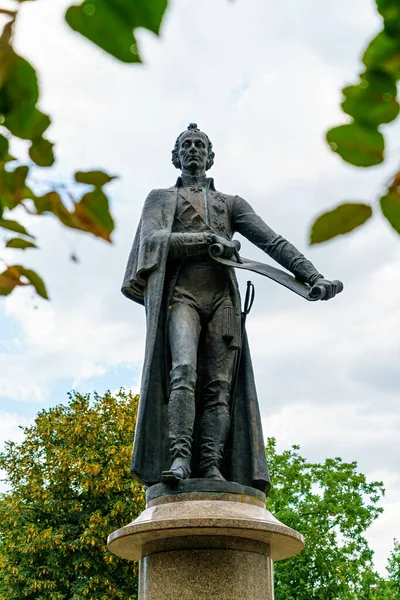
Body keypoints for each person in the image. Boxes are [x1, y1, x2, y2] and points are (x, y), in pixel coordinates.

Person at [122, 123, 338, 492]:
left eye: (200, 145)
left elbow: (273, 242)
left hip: (222, 299)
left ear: (210, 156)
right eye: (186, 145)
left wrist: (312, 276)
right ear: (176, 156)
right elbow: (153, 241)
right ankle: (179, 457)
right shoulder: (159, 198)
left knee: (219, 386)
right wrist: (202, 241)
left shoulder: (230, 203)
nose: (193, 149)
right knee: (183, 370)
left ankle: (210, 464)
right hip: (182, 295)